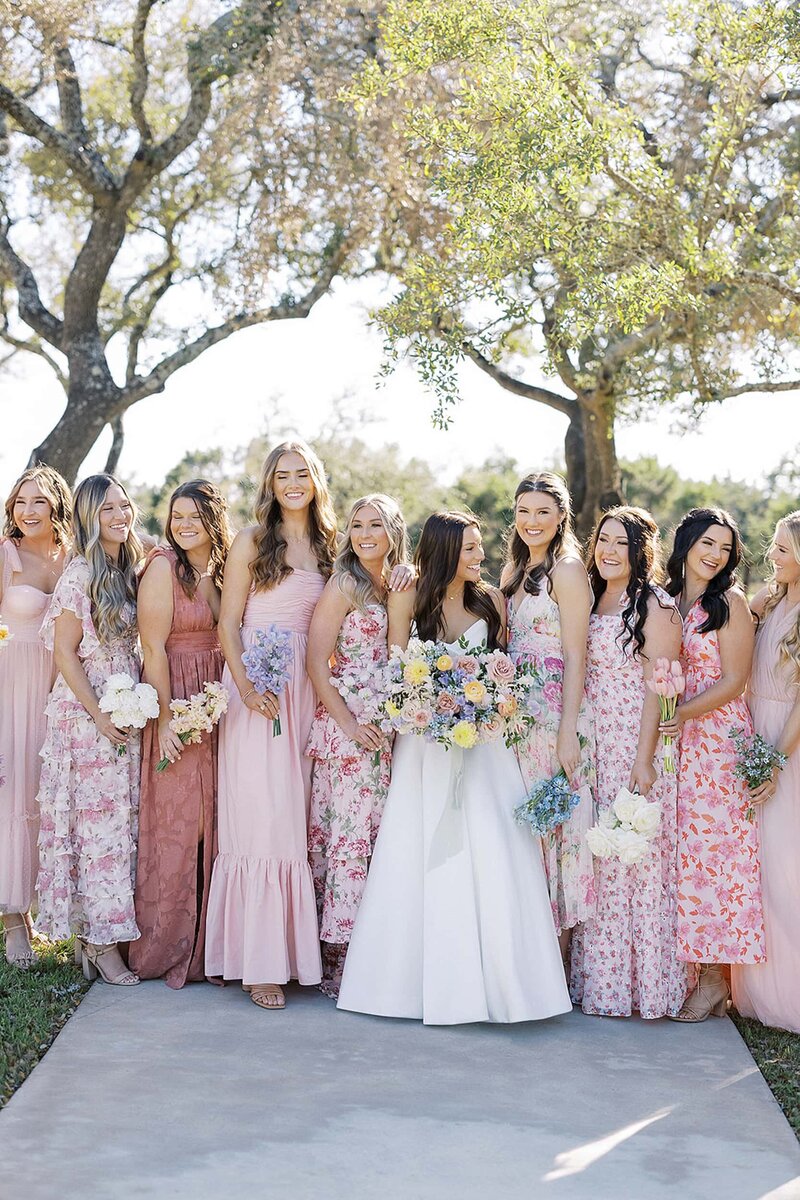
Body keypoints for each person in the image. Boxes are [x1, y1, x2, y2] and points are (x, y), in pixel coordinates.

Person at [337, 510, 572, 1025]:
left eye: (480, 546)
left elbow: (503, 668)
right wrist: (433, 703)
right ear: (445, 550)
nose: (480, 555)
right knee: (418, 853)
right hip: (425, 744)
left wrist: (488, 701)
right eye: (469, 548)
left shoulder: (490, 600)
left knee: (495, 847)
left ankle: (507, 989)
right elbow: (399, 668)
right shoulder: (409, 593)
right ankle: (409, 988)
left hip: (485, 747)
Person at [204, 440, 337, 1009]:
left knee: (297, 815)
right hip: (256, 689)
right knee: (262, 816)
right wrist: (250, 688)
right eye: (282, 474)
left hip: (307, 688)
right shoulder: (253, 541)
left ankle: (296, 954)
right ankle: (257, 962)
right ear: (269, 483)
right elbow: (228, 624)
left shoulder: (332, 545)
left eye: (302, 473)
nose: (292, 482)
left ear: (316, 481)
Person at [570, 507, 689, 1018]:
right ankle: (602, 982)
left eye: (621, 543)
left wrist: (645, 761)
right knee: (599, 861)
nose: (609, 551)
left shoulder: (654, 606)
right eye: (602, 540)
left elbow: (656, 689)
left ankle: (643, 987)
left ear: (641, 551)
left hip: (636, 746)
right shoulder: (592, 597)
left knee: (636, 859)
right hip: (596, 743)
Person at [36, 474, 144, 986]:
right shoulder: (79, 575)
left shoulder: (131, 568)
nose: (120, 516)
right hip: (87, 715)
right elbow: (64, 653)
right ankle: (100, 944)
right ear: (87, 517)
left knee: (121, 827)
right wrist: (99, 714)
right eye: (107, 510)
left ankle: (106, 933)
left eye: (124, 505)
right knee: (99, 829)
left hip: (126, 711)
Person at [661, 508, 764, 1022]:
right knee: (677, 854)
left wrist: (680, 713)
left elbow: (734, 680)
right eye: (707, 542)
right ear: (685, 542)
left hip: (715, 743)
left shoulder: (729, 601)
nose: (715, 554)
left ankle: (712, 978)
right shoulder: (663, 596)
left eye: (724, 548)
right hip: (671, 742)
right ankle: (676, 964)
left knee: (715, 857)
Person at [306, 494, 411, 997]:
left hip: (388, 730)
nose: (364, 534)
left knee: (375, 842)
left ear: (393, 531)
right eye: (356, 525)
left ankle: (374, 952)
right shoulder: (343, 583)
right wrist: (349, 725)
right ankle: (338, 962)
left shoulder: (396, 583)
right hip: (347, 733)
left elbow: (399, 650)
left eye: (375, 525)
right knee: (346, 841)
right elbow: (316, 662)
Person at [129, 481, 232, 988]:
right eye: (177, 516)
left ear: (215, 519)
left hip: (220, 701)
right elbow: (152, 647)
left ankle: (213, 944)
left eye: (194, 516)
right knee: (181, 822)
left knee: (215, 820)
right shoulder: (162, 566)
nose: (183, 524)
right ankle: (166, 944)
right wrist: (167, 717)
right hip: (178, 699)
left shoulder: (224, 567)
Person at [502, 471, 596, 954]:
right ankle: (526, 953)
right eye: (523, 511)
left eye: (543, 512)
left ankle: (555, 961)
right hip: (512, 719)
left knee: (555, 831)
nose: (532, 521)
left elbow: (577, 655)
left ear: (561, 516)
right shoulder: (511, 572)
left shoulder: (568, 571)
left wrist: (567, 734)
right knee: (523, 831)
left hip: (555, 713)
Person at [0, 466, 71, 968]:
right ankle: (12, 922)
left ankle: (43, 907)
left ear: (56, 508)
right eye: (20, 501)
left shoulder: (73, 559)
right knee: (12, 792)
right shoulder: (3, 555)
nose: (27, 511)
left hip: (59, 686)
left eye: (38, 502)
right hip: (9, 682)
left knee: (44, 792)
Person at [732, 512, 800, 1033]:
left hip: (785, 740)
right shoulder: (769, 601)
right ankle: (753, 988)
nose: (772, 555)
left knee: (783, 865)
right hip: (751, 727)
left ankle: (788, 991)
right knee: (752, 864)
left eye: (782, 549)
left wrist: (775, 760)